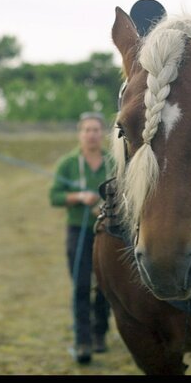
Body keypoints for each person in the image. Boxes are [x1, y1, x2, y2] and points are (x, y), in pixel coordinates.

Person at [49, 111, 111, 365]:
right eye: (87, 130)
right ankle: (82, 340)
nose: (91, 134)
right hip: (78, 230)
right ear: (80, 133)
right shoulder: (67, 163)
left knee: (107, 286)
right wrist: (78, 198)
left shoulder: (113, 163)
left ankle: (100, 334)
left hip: (108, 233)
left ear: (103, 134)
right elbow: (54, 197)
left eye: (96, 129)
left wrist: (104, 205)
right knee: (82, 285)